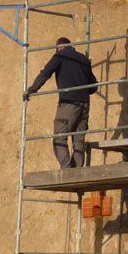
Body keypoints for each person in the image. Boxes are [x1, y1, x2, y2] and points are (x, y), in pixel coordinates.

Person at [24, 37, 97, 168]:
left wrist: (31, 89)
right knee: (78, 140)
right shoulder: (84, 59)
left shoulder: (60, 55)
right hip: (85, 105)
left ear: (59, 47)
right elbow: (94, 87)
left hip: (68, 103)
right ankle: (78, 172)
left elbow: (45, 73)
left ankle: (67, 169)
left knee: (60, 137)